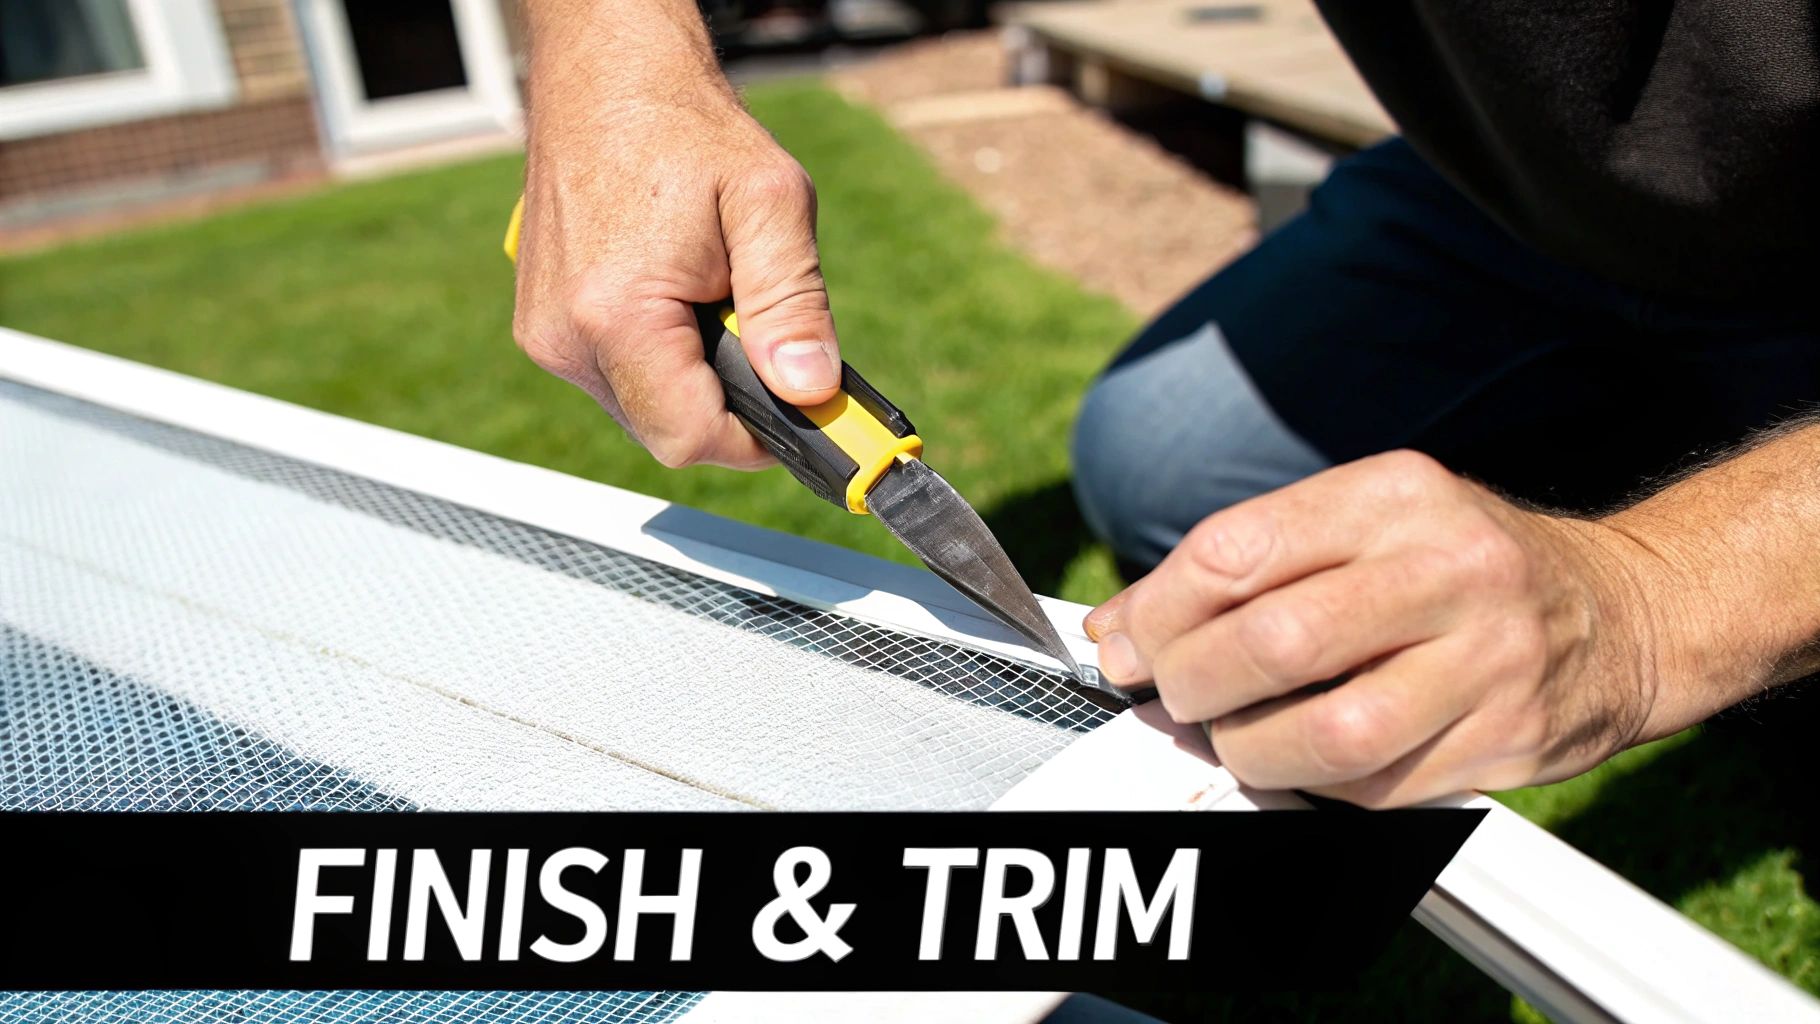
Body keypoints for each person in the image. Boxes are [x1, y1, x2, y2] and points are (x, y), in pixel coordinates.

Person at [509, 0, 1819, 807]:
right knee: (1162, 453)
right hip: (1529, 197)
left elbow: (1658, 602)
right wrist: (611, 46)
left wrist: (1653, 596)